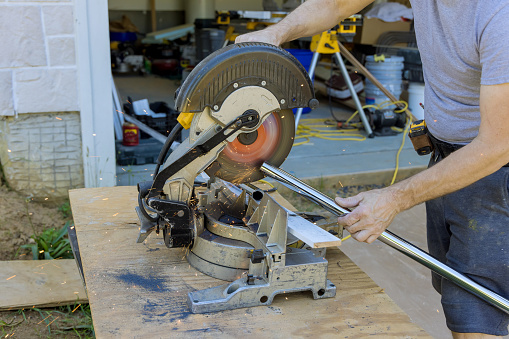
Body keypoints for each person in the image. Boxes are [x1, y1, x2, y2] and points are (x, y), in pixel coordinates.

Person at [236, 0, 509, 337]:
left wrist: (394, 198)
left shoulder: (500, 15)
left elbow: (498, 145)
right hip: (447, 159)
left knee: (476, 310)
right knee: (456, 287)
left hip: (494, 174)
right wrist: (276, 33)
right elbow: (335, 4)